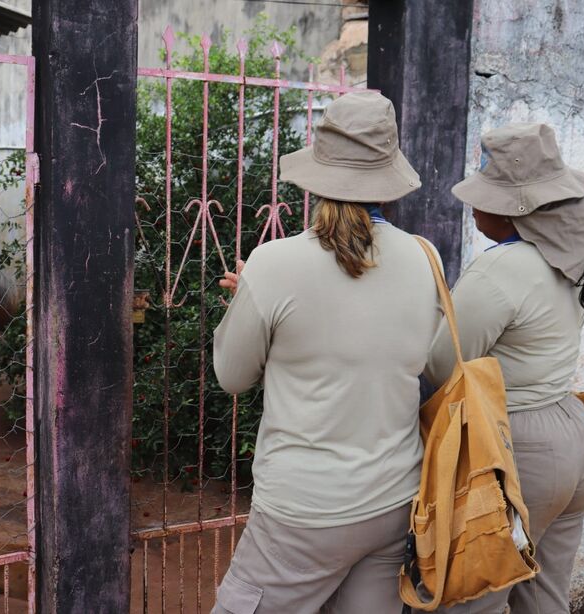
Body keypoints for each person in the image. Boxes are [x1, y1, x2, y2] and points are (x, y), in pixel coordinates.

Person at [211, 91, 441, 613]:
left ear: (317, 174)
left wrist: (256, 297)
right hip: (393, 501)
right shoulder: (426, 258)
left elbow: (232, 375)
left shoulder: (274, 264)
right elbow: (402, 351)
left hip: (302, 513)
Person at [425, 123, 584, 614]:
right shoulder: (570, 253)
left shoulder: (500, 267)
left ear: (515, 209)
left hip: (516, 448)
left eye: (485, 197)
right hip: (573, 438)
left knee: (471, 600)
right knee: (544, 599)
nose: (474, 206)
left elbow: (443, 366)